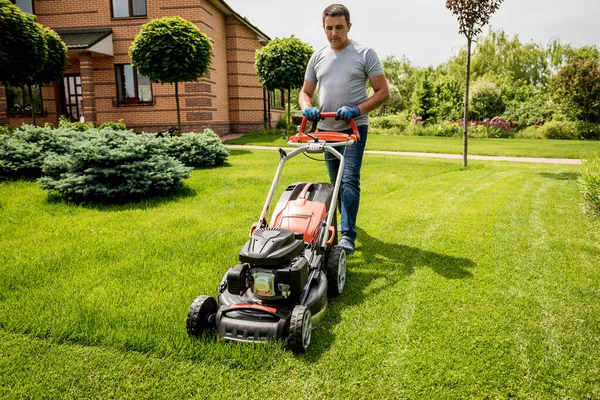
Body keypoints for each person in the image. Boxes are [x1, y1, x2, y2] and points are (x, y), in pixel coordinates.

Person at [299, 3, 389, 254]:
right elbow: (306, 93)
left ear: (349, 26)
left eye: (339, 27)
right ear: (323, 27)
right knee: (335, 182)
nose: (334, 33)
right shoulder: (317, 57)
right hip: (327, 129)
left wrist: (357, 109)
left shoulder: (365, 53)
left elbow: (383, 92)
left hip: (353, 127)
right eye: (329, 28)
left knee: (348, 180)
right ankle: (333, 228)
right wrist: (307, 107)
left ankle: (347, 234)